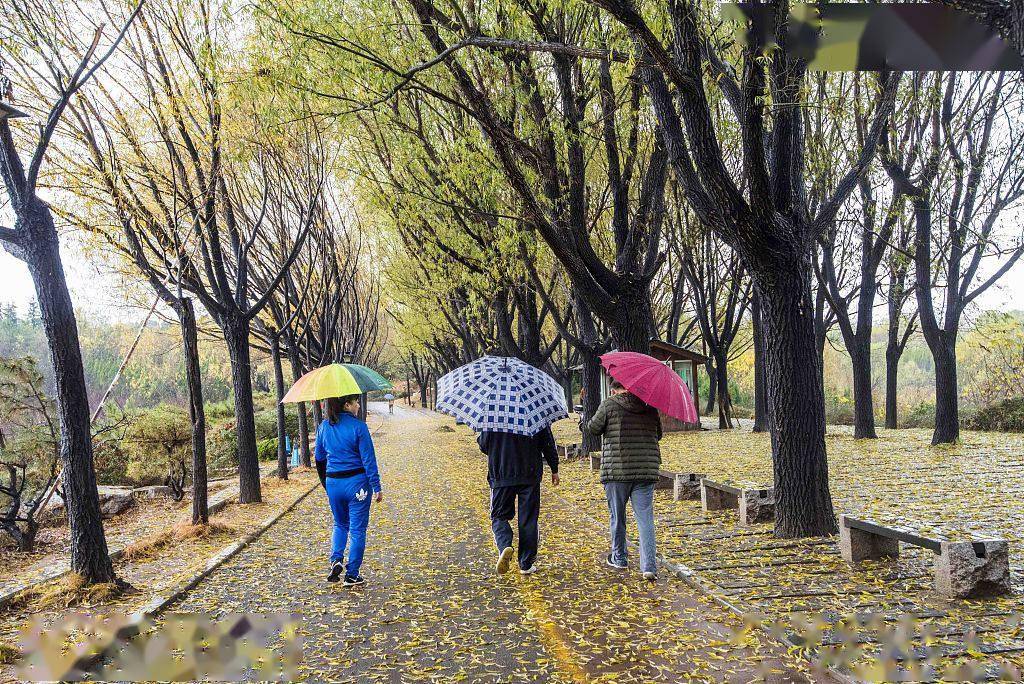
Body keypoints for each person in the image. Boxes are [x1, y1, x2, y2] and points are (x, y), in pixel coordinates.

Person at [586, 380, 663, 581]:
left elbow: (593, 429)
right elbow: (659, 434)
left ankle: (619, 557)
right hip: (645, 470)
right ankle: (649, 566)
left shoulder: (609, 404)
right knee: (645, 518)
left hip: (617, 470)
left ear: (614, 389)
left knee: (617, 517)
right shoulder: (649, 406)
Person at [315, 394, 383, 586]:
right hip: (357, 484)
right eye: (355, 402)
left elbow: (319, 459)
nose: (358, 406)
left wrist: (326, 484)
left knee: (339, 524)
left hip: (334, 483)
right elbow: (369, 460)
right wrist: (376, 486)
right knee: (357, 530)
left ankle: (335, 560)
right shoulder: (359, 427)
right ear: (347, 405)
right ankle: (352, 574)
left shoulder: (324, 427)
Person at [478, 425, 559, 576]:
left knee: (499, 516)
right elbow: (547, 442)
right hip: (529, 474)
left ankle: (504, 547)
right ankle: (526, 563)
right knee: (528, 519)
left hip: (502, 474)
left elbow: (484, 445)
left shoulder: (493, 416)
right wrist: (554, 468)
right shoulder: (534, 411)